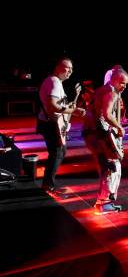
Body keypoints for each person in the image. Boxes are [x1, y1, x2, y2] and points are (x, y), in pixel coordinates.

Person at [82, 68, 128, 215]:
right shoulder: (111, 92)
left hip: (91, 134)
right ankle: (104, 203)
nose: (124, 86)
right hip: (99, 135)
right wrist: (119, 127)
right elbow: (108, 114)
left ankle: (102, 202)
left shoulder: (99, 91)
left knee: (105, 166)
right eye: (123, 83)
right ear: (114, 80)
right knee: (113, 166)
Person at [37, 57, 85, 196]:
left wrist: (75, 99)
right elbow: (53, 107)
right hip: (49, 123)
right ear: (58, 67)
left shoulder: (56, 82)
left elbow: (61, 107)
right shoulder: (54, 81)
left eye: (72, 69)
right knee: (58, 152)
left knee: (60, 152)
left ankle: (48, 184)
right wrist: (74, 110)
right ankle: (47, 186)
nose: (70, 71)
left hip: (50, 123)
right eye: (67, 68)